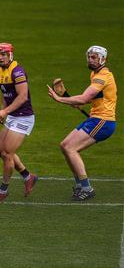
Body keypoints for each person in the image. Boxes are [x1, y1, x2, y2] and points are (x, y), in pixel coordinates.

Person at [47, 45, 117, 200]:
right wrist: (74, 101)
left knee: (71, 148)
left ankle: (87, 188)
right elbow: (93, 97)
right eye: (89, 57)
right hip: (95, 118)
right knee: (65, 146)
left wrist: (60, 99)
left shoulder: (103, 76)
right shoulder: (95, 73)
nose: (90, 60)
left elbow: (85, 97)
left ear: (102, 59)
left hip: (103, 121)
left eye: (94, 57)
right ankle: (80, 185)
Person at [0, 42, 38, 203]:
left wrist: (5, 111)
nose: (0, 57)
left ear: (10, 55)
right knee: (1, 152)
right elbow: (5, 94)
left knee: (8, 153)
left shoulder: (17, 72)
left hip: (23, 117)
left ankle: (3, 190)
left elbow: (22, 96)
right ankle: (28, 176)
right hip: (12, 116)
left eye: (4, 54)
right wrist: (2, 111)